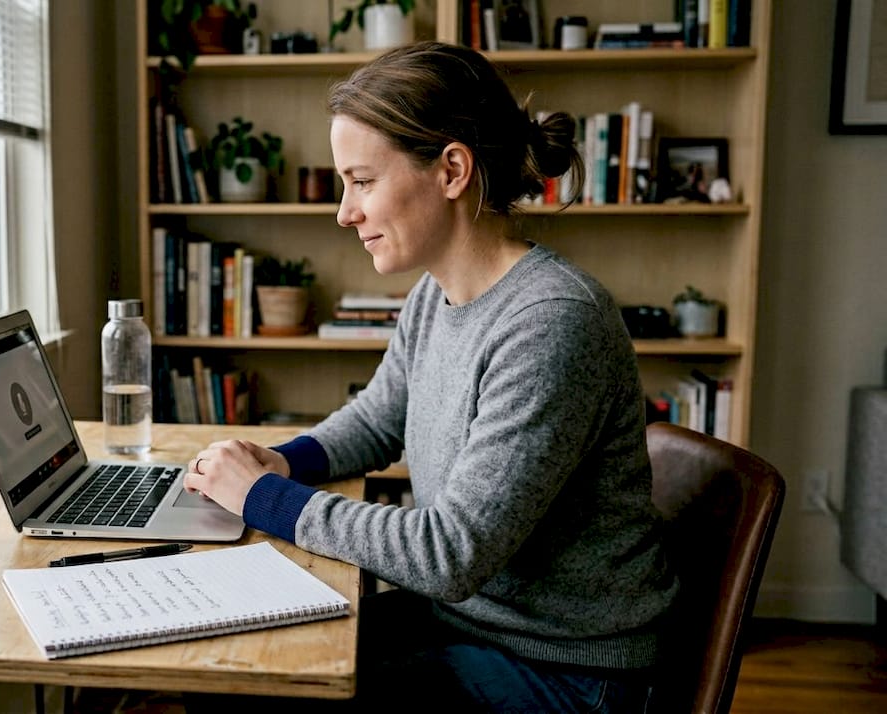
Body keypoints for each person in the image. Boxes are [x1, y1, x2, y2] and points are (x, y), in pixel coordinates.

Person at [182, 41, 676, 711]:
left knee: (250, 692)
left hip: (566, 673)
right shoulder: (437, 292)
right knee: (233, 665)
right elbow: (380, 418)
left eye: (362, 180)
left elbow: (449, 554)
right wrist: (279, 461)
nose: (344, 211)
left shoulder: (552, 323)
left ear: (450, 169)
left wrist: (265, 497)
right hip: (471, 625)